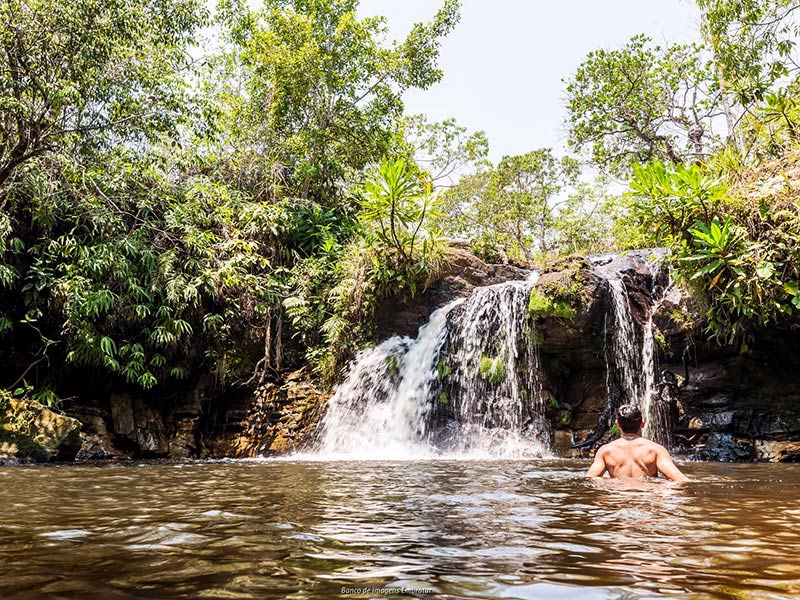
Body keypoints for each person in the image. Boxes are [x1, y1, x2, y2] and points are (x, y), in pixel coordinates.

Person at [586, 404, 689, 482]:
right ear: (642, 424)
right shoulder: (655, 450)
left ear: (617, 425)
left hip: (618, 500)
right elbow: (681, 480)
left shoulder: (605, 451)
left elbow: (591, 478)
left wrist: (611, 483)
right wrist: (660, 488)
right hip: (645, 500)